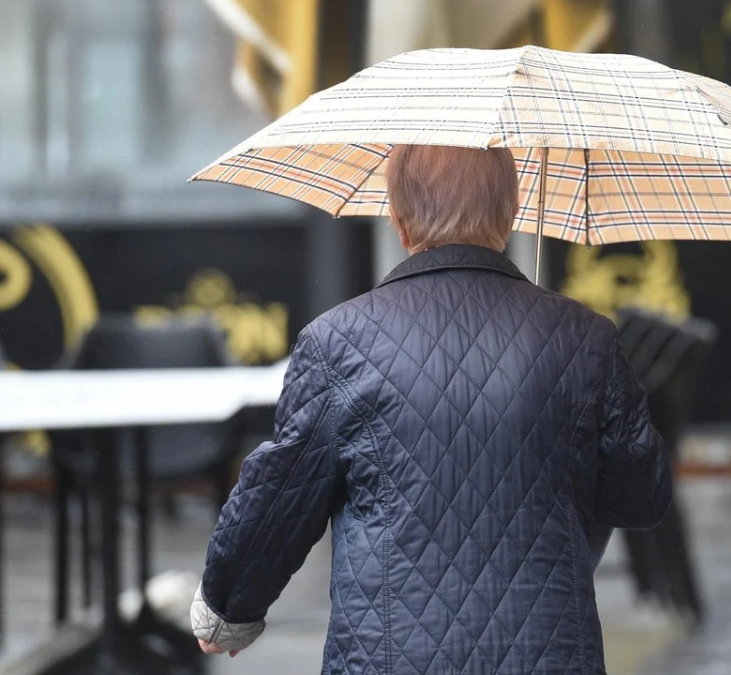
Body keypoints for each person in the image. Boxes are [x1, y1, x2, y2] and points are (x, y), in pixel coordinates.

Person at [191, 144, 673, 674]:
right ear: (511, 210)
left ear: (397, 218)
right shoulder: (586, 338)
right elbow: (641, 499)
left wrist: (230, 605)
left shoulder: (335, 343)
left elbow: (280, 493)